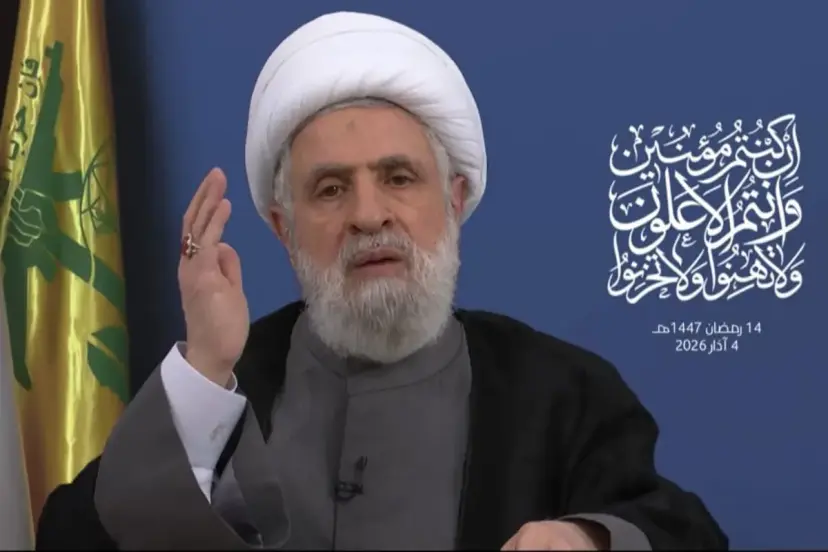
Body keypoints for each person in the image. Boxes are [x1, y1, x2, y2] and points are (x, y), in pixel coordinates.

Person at [34, 11, 728, 551]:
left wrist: (588, 539)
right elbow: (73, 538)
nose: (369, 215)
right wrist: (205, 369)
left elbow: (684, 533)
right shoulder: (226, 386)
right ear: (282, 227)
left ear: (453, 199)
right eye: (331, 189)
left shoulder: (560, 392)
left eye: (398, 177)